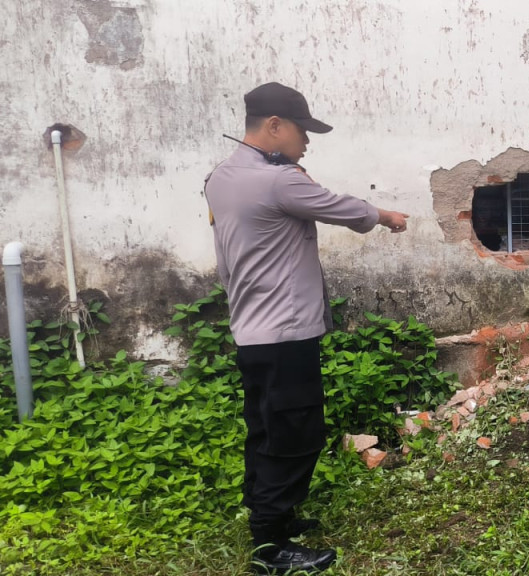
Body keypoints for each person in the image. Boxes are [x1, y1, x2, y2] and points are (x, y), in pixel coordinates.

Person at [204, 82, 410, 574]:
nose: (307, 141)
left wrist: (291, 169)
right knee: (294, 433)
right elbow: (339, 207)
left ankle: (272, 522)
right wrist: (386, 216)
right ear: (273, 126)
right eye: (302, 131)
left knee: (266, 429)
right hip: (284, 333)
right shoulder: (279, 181)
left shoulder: (219, 177)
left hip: (252, 332)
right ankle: (271, 549)